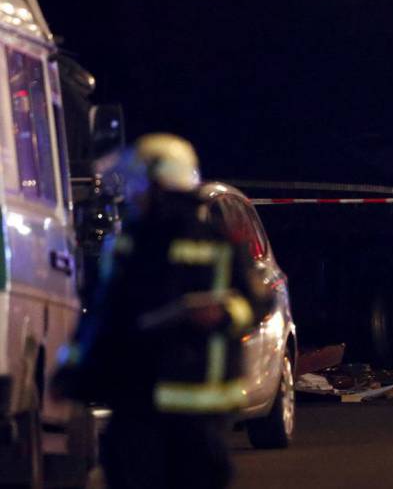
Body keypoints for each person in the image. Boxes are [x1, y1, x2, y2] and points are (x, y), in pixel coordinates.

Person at [54, 134, 271, 489]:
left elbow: (257, 300)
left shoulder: (153, 244)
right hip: (170, 405)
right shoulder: (139, 243)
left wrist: (224, 312)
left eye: (139, 183)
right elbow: (105, 317)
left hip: (167, 405)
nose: (133, 193)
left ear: (157, 183)